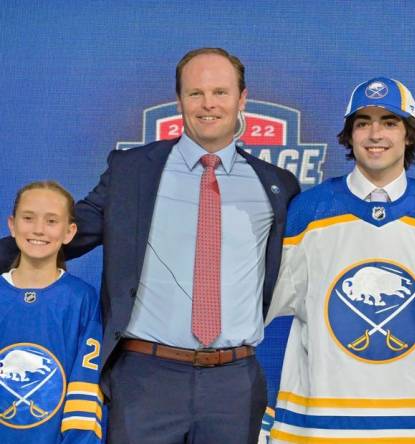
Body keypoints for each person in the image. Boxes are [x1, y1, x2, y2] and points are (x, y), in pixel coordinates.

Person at [1, 48, 300, 444]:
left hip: (234, 383)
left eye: (220, 92)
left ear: (242, 98)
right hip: (145, 380)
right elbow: (62, 234)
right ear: (180, 101)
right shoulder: (131, 171)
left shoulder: (277, 185)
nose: (208, 104)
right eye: (195, 93)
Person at [264, 77, 415, 442]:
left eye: (389, 122)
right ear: (350, 136)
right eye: (362, 123)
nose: (374, 133)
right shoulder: (309, 212)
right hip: (321, 428)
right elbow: (258, 308)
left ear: (409, 134)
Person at [0, 181, 102, 443]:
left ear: (70, 232)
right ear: (12, 225)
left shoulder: (82, 299)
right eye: (28, 218)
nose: (38, 229)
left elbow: (85, 388)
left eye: (51, 221)